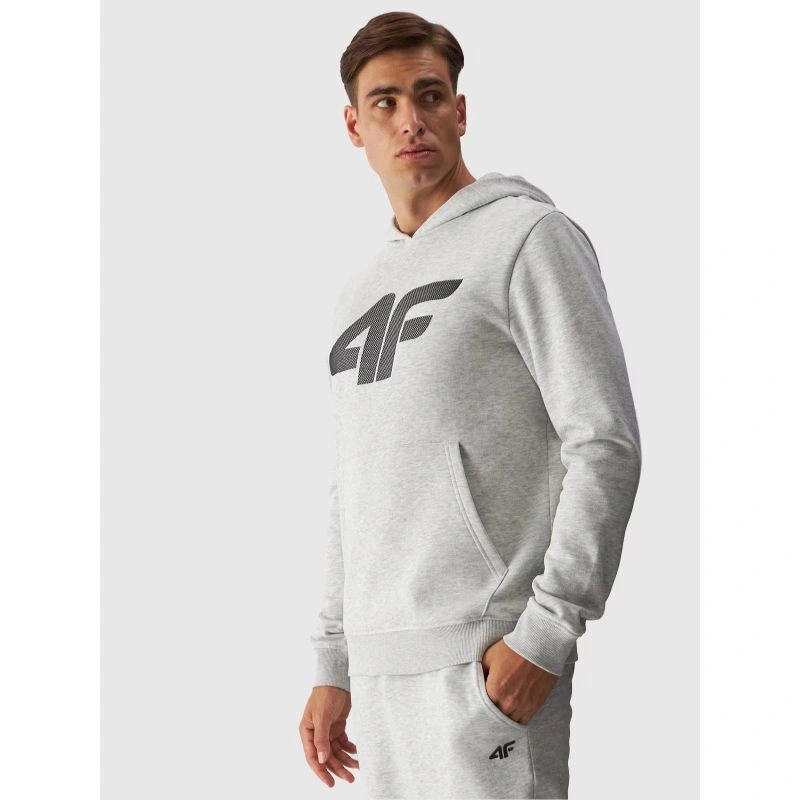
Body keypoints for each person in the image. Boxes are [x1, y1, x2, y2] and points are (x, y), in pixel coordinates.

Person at [298, 11, 642, 799]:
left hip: (483, 665)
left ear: (460, 110)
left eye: (429, 95)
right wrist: (333, 661)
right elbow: (354, 483)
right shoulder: (357, 295)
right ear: (354, 126)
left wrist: (547, 633)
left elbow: (604, 442)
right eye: (385, 102)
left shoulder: (529, 239)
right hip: (379, 680)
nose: (410, 119)